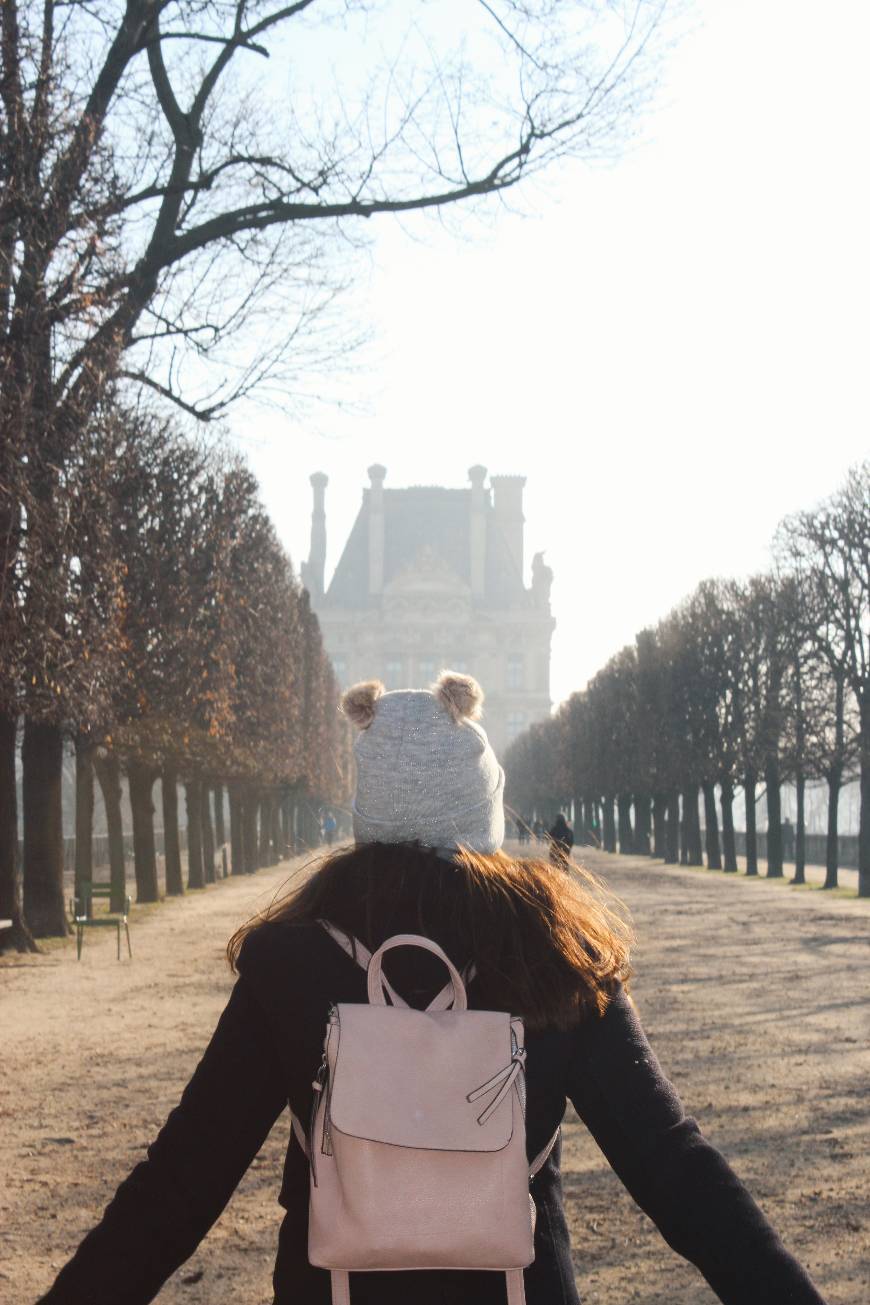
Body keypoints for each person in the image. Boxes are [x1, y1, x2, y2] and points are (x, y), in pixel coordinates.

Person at [39, 671, 828, 1305]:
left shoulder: (289, 966)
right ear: (480, 808)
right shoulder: (554, 959)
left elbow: (177, 1185)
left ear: (366, 812)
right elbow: (676, 1170)